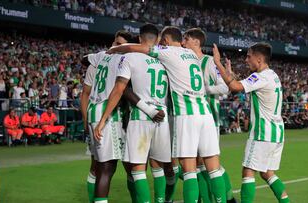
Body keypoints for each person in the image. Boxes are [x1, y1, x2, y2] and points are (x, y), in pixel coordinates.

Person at [101, 26, 226, 203]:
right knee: (213, 169)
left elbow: (136, 48)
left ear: (165, 41)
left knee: (189, 171)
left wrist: (115, 48)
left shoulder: (169, 52)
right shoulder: (191, 55)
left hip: (186, 116)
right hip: (205, 115)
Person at [95, 23, 170, 203]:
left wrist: (103, 119)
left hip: (140, 118)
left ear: (139, 38)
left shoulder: (130, 57)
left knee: (137, 169)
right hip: (163, 117)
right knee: (158, 166)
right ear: (158, 39)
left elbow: (119, 88)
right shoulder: (166, 58)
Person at [213, 42, 290, 203]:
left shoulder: (260, 77)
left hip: (262, 133)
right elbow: (242, 82)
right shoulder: (272, 75)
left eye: (249, 56)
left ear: (259, 59)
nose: (246, 60)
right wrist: (229, 72)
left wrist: (217, 63)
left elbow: (234, 86)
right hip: (277, 133)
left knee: (248, 172)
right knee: (267, 173)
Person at [80, 30, 136, 203]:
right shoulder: (125, 61)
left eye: (119, 44)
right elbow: (85, 93)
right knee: (106, 167)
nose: (115, 46)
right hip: (107, 116)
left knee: (114, 166)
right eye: (115, 42)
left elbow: (84, 58)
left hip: (100, 115)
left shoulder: (99, 57)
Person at [182, 28, 237, 203]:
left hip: (209, 119)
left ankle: (226, 198)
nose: (183, 43)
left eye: (186, 39)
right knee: (198, 165)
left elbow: (224, 88)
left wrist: (201, 89)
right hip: (191, 118)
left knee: (208, 165)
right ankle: (223, 198)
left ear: (196, 42)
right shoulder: (184, 62)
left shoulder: (208, 62)